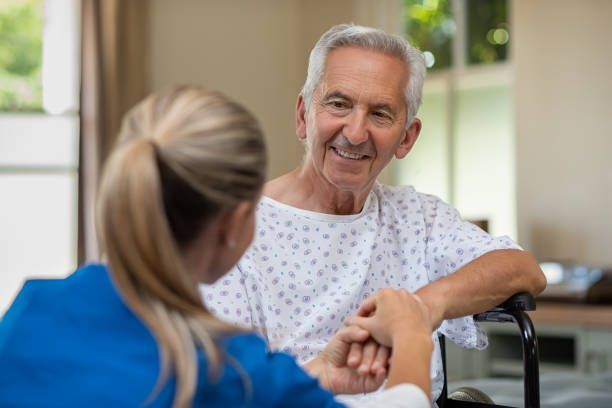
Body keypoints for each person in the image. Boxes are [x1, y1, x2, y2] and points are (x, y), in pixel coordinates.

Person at [0, 86, 435, 407]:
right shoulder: (216, 367)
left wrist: (319, 373)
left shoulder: (30, 311)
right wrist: (413, 336)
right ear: (236, 223)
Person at [200, 24, 547, 403]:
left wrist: (421, 307)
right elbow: (229, 392)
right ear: (303, 116)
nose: (355, 131)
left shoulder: (420, 218)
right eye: (338, 104)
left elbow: (523, 268)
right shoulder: (235, 231)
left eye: (380, 114)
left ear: (407, 138)